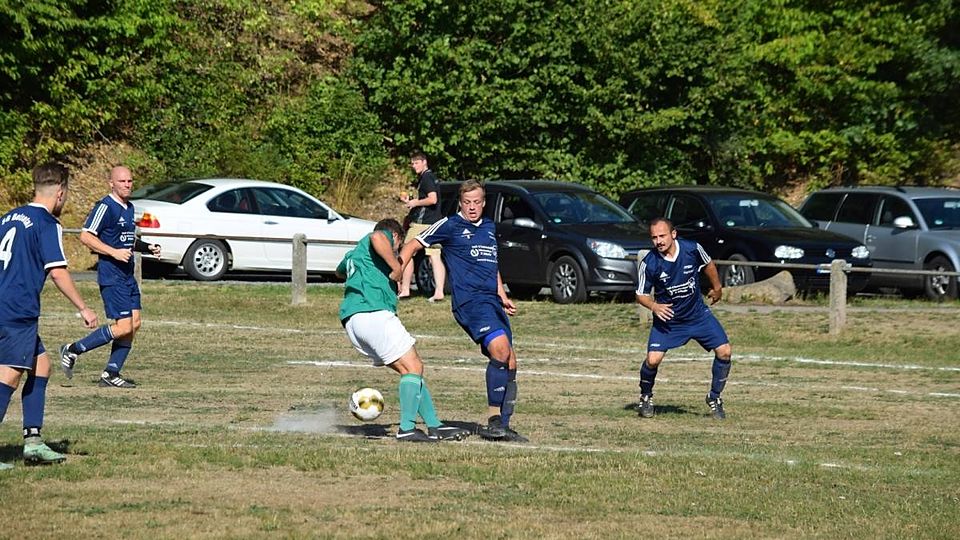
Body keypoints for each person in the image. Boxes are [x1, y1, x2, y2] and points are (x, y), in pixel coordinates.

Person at [398, 179, 527, 442]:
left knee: (510, 361)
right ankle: (494, 421)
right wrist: (396, 274)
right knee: (500, 350)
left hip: (491, 302)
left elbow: (492, 264)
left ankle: (502, 425)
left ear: (484, 202)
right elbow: (412, 245)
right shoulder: (450, 225)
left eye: (476, 202)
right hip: (470, 302)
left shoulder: (488, 226)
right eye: (467, 202)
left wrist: (502, 294)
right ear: (460, 202)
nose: (472, 207)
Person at [1, 163, 99, 469]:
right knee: (10, 374)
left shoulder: (9, 217)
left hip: (6, 303)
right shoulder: (46, 223)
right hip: (17, 308)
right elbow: (57, 272)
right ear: (60, 192)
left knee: (41, 367)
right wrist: (83, 307)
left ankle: (33, 442)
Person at [336, 218, 470, 443]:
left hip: (353, 320)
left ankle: (434, 425)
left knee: (410, 370)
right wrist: (396, 267)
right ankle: (407, 428)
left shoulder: (354, 255)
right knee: (414, 366)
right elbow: (377, 236)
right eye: (397, 247)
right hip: (373, 312)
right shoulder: (381, 237)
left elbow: (339, 271)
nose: (397, 253)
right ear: (396, 237)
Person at [59, 166, 160, 388]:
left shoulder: (129, 207)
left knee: (134, 324)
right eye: (122, 181)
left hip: (127, 276)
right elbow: (86, 236)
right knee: (123, 327)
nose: (127, 185)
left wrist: (147, 247)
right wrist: (113, 252)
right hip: (112, 276)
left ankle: (111, 373)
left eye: (130, 181)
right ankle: (72, 349)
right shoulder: (105, 207)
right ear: (111, 183)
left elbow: (126, 239)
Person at [635, 217, 732, 420]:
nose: (658, 241)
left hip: (697, 315)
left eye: (662, 236)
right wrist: (654, 306)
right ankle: (645, 396)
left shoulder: (692, 249)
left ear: (673, 234)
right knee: (653, 360)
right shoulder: (649, 263)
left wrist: (717, 288)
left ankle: (714, 397)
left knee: (724, 352)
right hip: (669, 321)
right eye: (654, 237)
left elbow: (708, 264)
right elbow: (641, 294)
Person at [398, 152, 446, 302]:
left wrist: (415, 203)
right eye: (412, 163)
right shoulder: (430, 177)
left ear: (424, 162)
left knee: (407, 251)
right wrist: (410, 200)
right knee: (434, 255)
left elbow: (432, 199)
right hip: (434, 222)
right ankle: (439, 292)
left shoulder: (426, 178)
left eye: (416, 163)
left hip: (422, 223)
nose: (414, 166)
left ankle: (405, 289)